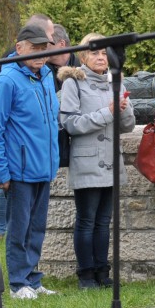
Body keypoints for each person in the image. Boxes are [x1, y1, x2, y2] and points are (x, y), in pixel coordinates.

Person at [0, 24, 61, 300]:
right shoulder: (7, 81)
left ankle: (32, 278)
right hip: (20, 170)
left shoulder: (46, 76)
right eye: (34, 48)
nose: (40, 54)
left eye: (44, 49)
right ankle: (18, 283)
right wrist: (1, 172)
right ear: (19, 48)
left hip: (43, 167)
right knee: (19, 229)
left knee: (36, 228)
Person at [58, 36, 136, 288]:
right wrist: (108, 112)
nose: (101, 57)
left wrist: (124, 107)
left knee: (104, 221)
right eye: (95, 53)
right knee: (87, 220)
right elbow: (70, 123)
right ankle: (86, 275)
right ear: (83, 56)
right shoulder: (73, 82)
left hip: (111, 160)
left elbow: (127, 126)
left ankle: (103, 273)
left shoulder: (116, 80)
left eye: (105, 53)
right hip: (87, 161)